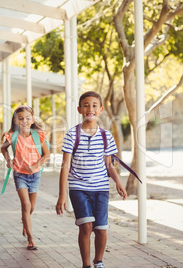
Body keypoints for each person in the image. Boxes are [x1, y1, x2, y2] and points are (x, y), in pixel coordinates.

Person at [55, 91, 127, 268]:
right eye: (86, 105)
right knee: (86, 227)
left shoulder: (106, 136)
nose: (90, 108)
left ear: (100, 109)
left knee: (101, 229)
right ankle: (86, 264)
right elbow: (65, 165)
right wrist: (61, 195)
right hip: (78, 187)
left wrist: (118, 182)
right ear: (79, 109)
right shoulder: (72, 135)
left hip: (101, 188)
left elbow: (109, 165)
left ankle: (98, 261)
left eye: (94, 105)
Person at [1, 105, 50, 250]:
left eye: (27, 118)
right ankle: (31, 238)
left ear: (32, 120)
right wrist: (8, 160)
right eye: (21, 118)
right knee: (26, 205)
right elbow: (3, 148)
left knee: (31, 207)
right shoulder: (13, 136)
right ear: (16, 121)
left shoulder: (38, 135)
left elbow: (46, 155)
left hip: (35, 175)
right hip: (19, 174)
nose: (24, 121)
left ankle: (25, 223)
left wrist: (35, 166)